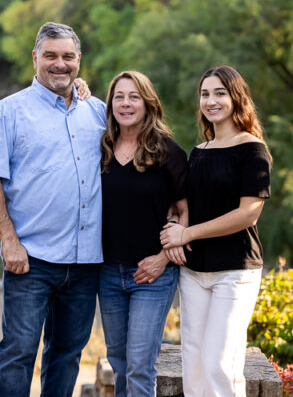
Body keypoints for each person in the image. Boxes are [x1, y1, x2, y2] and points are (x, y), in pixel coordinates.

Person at [0, 21, 107, 397]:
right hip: (31, 259)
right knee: (17, 353)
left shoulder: (98, 111)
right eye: (50, 56)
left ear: (79, 60)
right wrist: (9, 240)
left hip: (86, 261)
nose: (59, 64)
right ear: (35, 58)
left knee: (67, 354)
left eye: (68, 56)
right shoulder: (9, 112)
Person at [160, 65, 272, 397]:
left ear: (237, 98)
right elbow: (186, 205)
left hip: (234, 271)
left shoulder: (253, 149)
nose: (211, 101)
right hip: (194, 271)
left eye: (220, 93)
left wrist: (188, 234)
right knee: (193, 364)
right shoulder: (199, 152)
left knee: (220, 364)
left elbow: (248, 214)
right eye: (205, 94)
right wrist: (176, 227)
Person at [98, 70, 188, 397]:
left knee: (139, 365)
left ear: (148, 103)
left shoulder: (168, 152)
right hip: (108, 272)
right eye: (119, 97)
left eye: (134, 97)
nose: (126, 103)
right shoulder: (102, 148)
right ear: (110, 104)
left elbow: (185, 212)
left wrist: (163, 258)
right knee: (119, 362)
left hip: (153, 274)